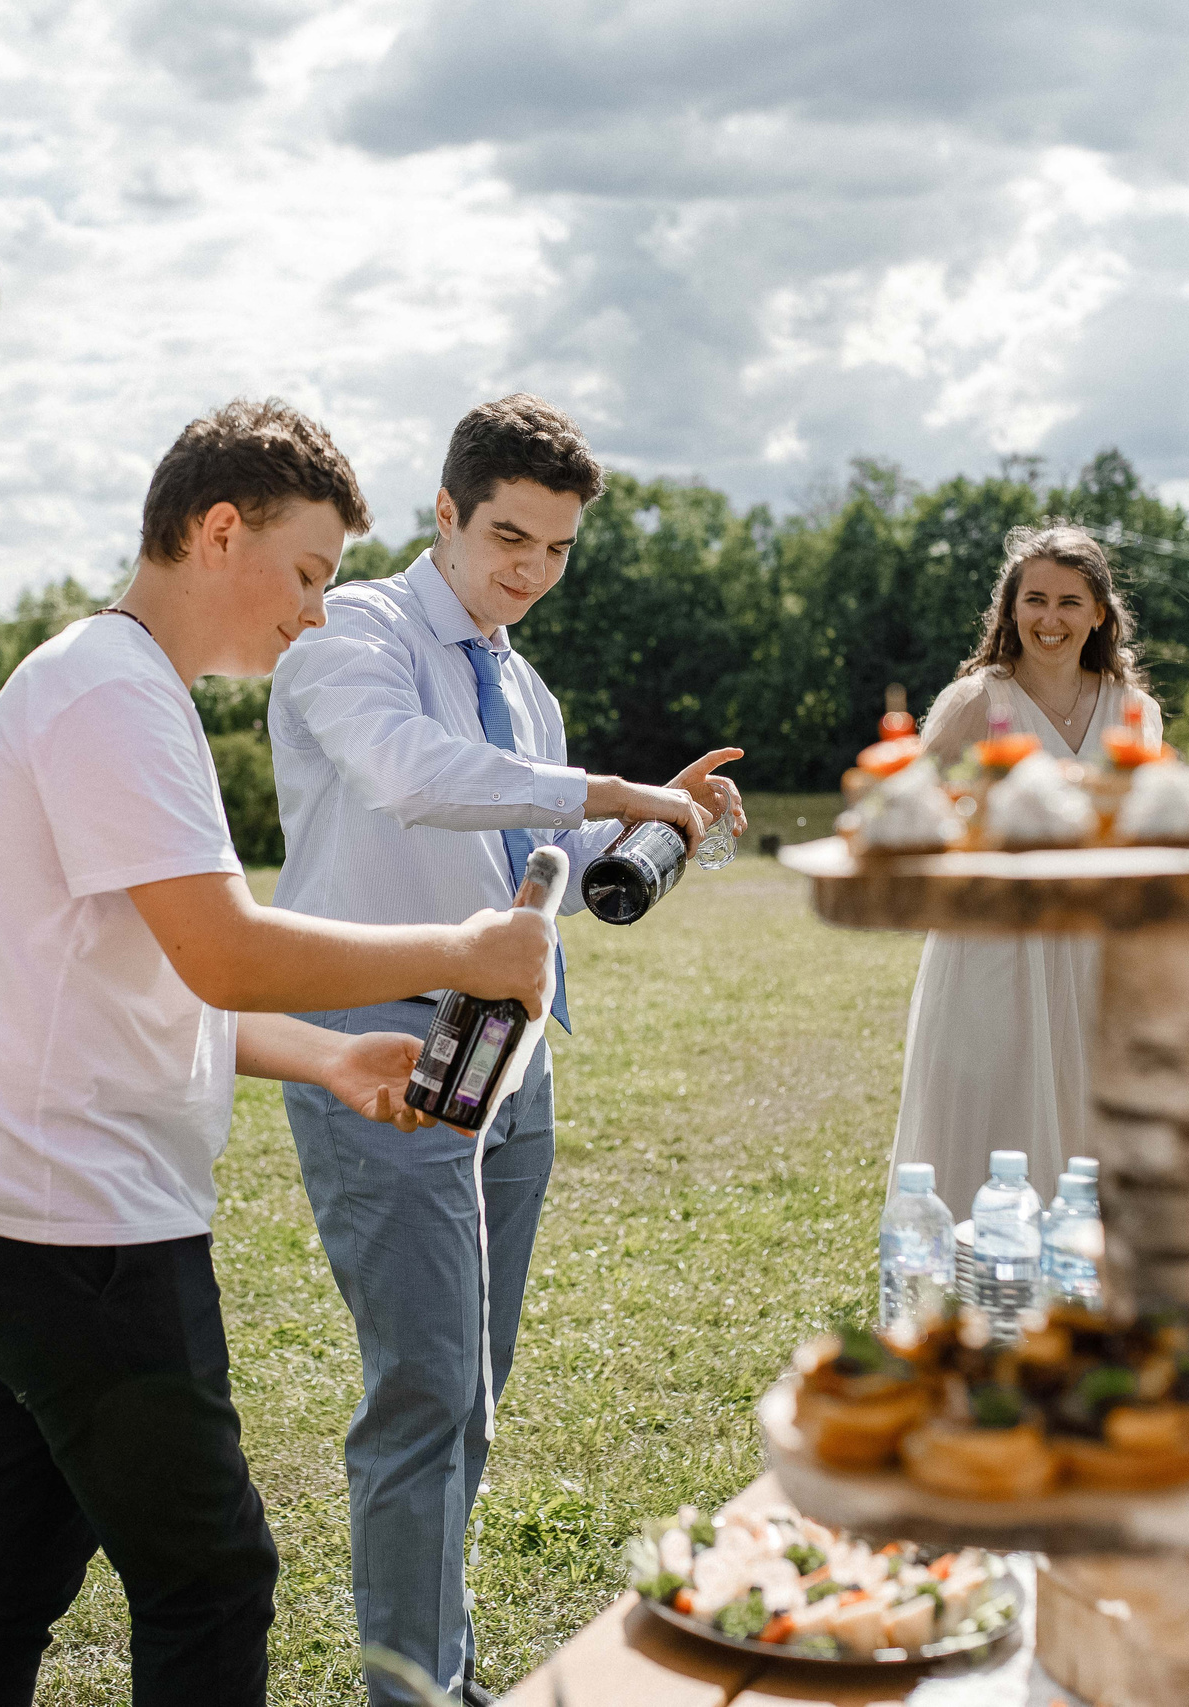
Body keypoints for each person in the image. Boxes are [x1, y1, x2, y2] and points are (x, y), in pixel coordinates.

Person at [0, 397, 555, 1707]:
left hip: (25, 1196)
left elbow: (153, 976)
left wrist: (326, 1059)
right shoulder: (112, 698)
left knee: (10, 1568)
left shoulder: (113, 682)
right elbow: (228, 948)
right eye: (307, 571)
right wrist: (468, 948)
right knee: (211, 1581)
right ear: (217, 530)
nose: (314, 611)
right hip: (77, 1221)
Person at [267, 393, 745, 1706]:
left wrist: (665, 819)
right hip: (380, 1045)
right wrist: (601, 789)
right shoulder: (349, 629)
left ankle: (442, 1668)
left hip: (509, 1061)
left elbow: (552, 859)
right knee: (426, 1390)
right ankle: (414, 1693)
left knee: (472, 1386)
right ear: (446, 512)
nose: (528, 568)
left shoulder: (522, 683)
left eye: (556, 547)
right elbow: (417, 776)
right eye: (507, 536)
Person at [890, 522, 1162, 1219]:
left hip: (1098, 954)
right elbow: (907, 805)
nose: (1050, 618)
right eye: (1034, 598)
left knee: (1090, 1123)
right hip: (993, 948)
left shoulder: (1136, 713)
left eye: (1070, 602)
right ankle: (968, 1288)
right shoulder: (980, 701)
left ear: (1100, 612)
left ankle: (1084, 1292)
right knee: (991, 1121)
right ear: (1010, 608)